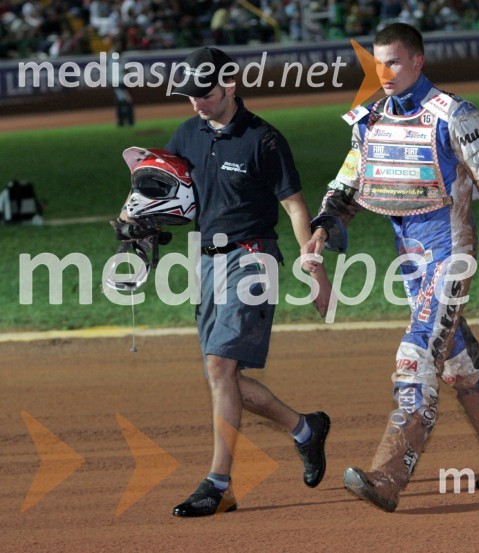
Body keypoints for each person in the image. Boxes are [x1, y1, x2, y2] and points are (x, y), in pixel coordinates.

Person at [301, 23, 479, 512]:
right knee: (458, 362)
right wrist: (325, 223)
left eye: (394, 62)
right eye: (378, 63)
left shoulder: (456, 116)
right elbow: (349, 180)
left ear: (418, 62)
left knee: (416, 356)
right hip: (411, 265)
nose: (384, 73)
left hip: (451, 256)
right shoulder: (370, 121)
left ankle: (389, 475)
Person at [116, 47, 334, 517]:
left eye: (205, 93)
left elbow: (296, 207)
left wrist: (313, 268)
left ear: (230, 86)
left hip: (254, 257)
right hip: (207, 264)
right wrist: (137, 217)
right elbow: (165, 187)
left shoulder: (264, 140)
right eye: (189, 95)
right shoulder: (186, 134)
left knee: (219, 370)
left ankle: (218, 484)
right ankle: (305, 430)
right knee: (226, 378)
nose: (197, 102)